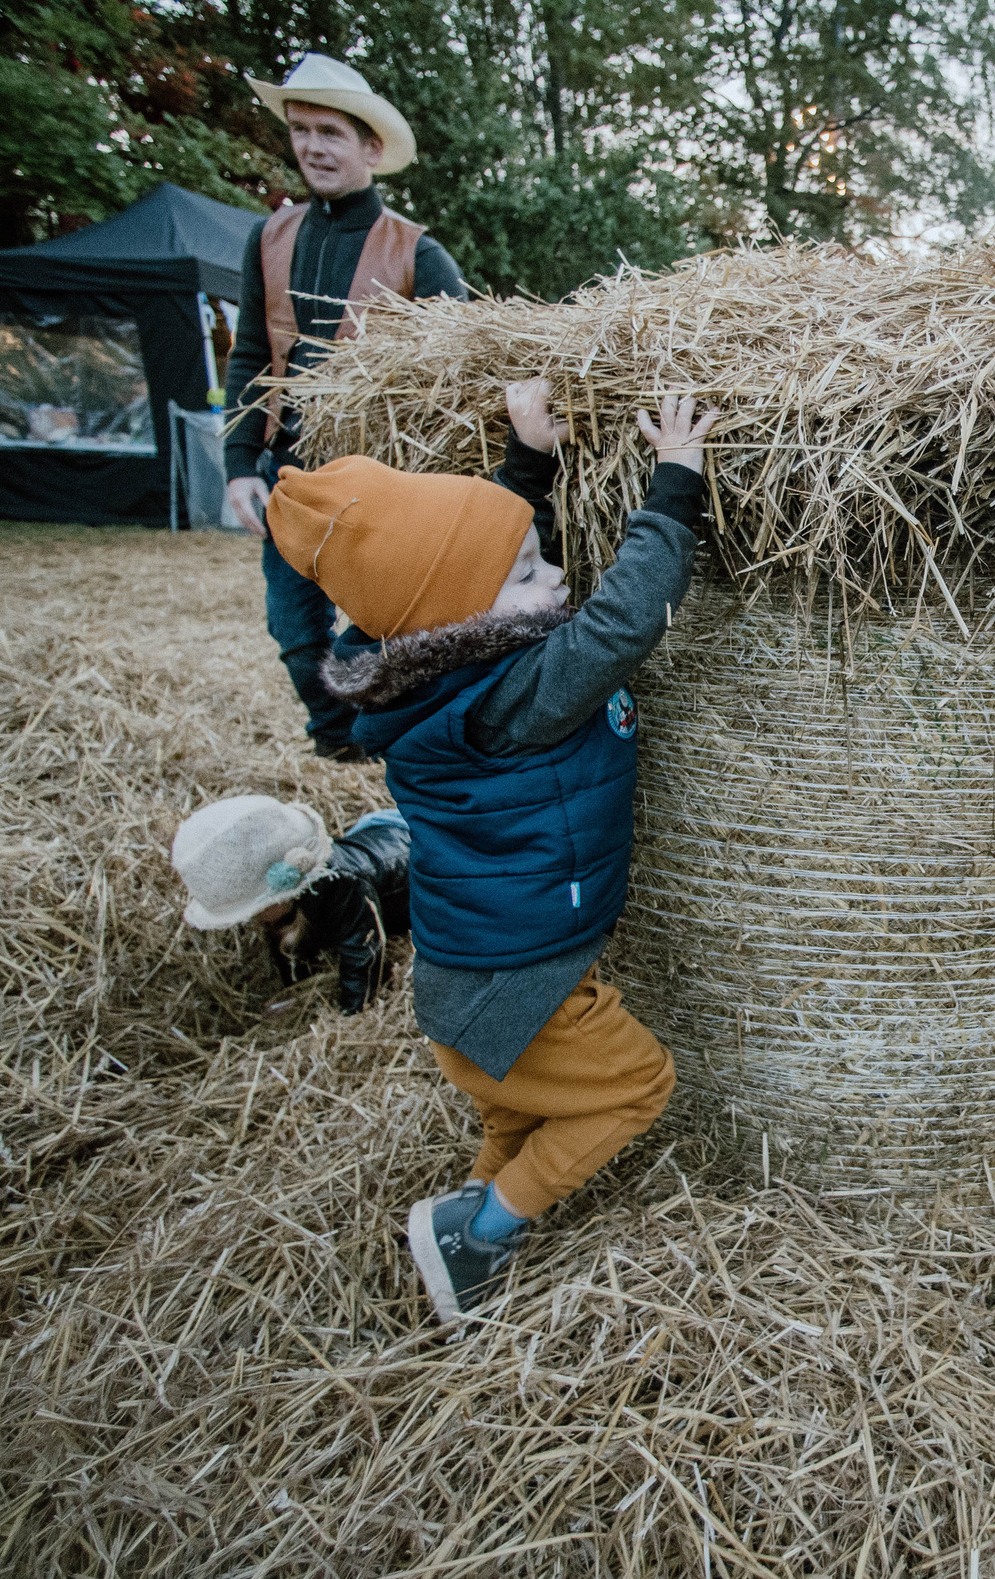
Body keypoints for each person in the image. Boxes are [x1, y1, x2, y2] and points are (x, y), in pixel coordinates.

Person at [264, 381, 714, 1324]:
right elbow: (623, 621)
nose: (553, 581)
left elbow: (463, 566)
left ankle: (452, 1253)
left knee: (516, 1115)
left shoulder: (419, 670)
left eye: (542, 561)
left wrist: (529, 464)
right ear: (476, 625)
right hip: (525, 981)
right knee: (637, 1085)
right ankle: (481, 1227)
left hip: (464, 981)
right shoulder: (517, 697)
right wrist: (674, 483)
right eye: (528, 578)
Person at [223, 54, 471, 761]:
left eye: (330, 132)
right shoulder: (268, 237)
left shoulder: (419, 253)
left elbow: (465, 367)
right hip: (290, 472)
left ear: (369, 146)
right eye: (301, 130)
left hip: (377, 482)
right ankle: (337, 747)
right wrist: (239, 462)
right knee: (296, 632)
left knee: (384, 628)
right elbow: (249, 356)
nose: (312, 147)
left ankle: (388, 739)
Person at [172, 798, 411, 1015]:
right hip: (375, 840)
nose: (253, 918)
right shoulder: (285, 907)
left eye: (256, 910)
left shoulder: (343, 888)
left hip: (408, 855)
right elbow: (288, 947)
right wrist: (295, 993)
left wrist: (351, 1011)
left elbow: (364, 952)